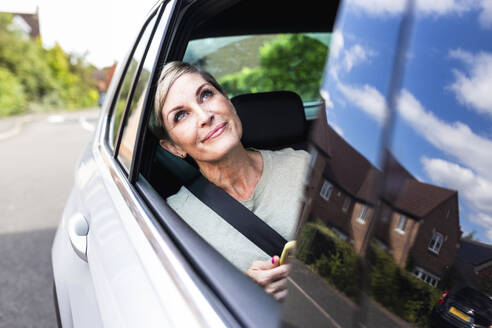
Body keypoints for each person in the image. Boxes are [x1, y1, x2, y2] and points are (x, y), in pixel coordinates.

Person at [150, 61, 309, 301]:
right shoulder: (174, 221)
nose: (205, 116)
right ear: (173, 147)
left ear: (227, 100)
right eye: (181, 115)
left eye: (206, 95)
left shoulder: (306, 166)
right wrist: (244, 294)